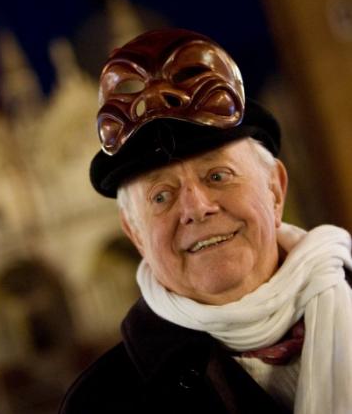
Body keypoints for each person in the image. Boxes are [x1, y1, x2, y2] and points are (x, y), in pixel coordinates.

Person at [59, 29, 352, 414]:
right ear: (135, 234)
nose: (196, 208)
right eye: (161, 196)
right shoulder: (101, 404)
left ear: (275, 190)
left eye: (218, 176)